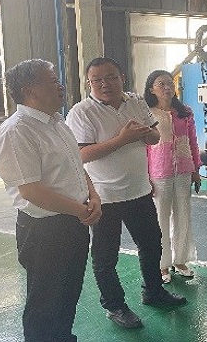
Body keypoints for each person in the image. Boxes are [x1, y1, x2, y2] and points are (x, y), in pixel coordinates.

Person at [65, 57, 186, 330]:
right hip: (104, 197)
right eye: (97, 80)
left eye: (111, 77)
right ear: (89, 83)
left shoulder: (136, 102)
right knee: (105, 257)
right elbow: (82, 155)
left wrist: (145, 135)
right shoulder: (81, 112)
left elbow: (154, 137)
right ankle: (115, 306)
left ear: (122, 77)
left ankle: (153, 291)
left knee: (152, 244)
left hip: (139, 190)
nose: (105, 84)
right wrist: (123, 139)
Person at [0, 59, 102, 342]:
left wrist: (93, 196)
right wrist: (81, 210)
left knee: (68, 293)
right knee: (45, 302)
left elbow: (76, 166)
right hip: (44, 230)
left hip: (74, 220)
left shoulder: (57, 122)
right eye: (52, 81)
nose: (60, 86)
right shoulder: (17, 131)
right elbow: (31, 191)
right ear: (30, 90)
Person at [144, 70, 201, 284]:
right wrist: (146, 176)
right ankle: (162, 264)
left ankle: (180, 260)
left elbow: (193, 141)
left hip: (184, 170)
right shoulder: (147, 113)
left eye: (170, 83)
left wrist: (196, 170)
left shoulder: (185, 112)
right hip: (159, 172)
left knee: (183, 215)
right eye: (161, 84)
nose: (167, 87)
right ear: (151, 89)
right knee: (160, 218)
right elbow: (144, 148)